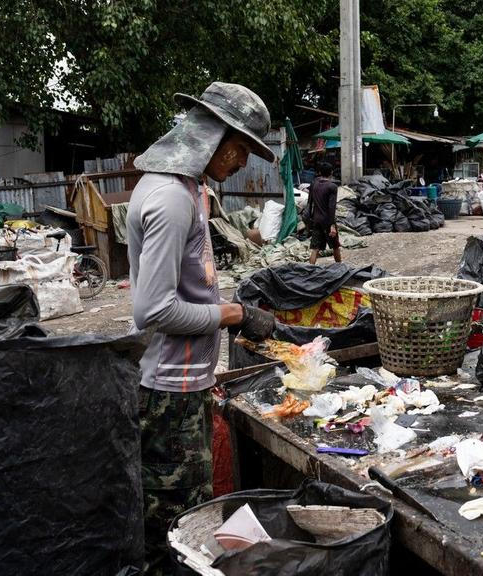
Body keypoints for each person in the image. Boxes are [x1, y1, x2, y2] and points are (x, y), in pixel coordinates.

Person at [126, 81, 279, 573]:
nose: (242, 162)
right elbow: (154, 311)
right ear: (213, 138)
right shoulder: (169, 198)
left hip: (187, 381)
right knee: (176, 524)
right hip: (167, 389)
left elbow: (190, 287)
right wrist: (232, 314)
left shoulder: (192, 189)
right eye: (240, 150)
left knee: (188, 512)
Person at [307, 161, 341, 264]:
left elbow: (310, 202)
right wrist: (332, 225)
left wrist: (310, 219)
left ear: (320, 172)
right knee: (335, 246)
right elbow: (332, 207)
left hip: (316, 220)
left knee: (315, 248)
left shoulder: (314, 184)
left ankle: (310, 269)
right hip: (327, 220)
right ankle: (340, 268)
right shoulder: (332, 187)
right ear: (331, 172)